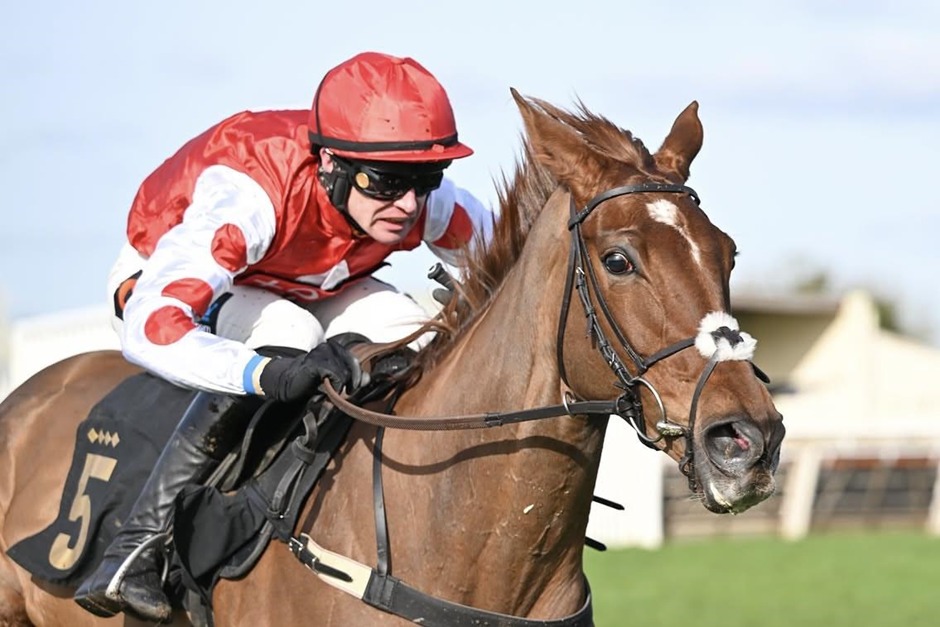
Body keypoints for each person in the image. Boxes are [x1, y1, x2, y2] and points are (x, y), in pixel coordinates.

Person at [74, 51, 495, 622]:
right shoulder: (250, 196)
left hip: (313, 281)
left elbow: (516, 265)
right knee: (286, 332)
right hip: (159, 283)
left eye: (425, 181)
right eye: (386, 183)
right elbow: (155, 325)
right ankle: (138, 546)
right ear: (329, 165)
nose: (408, 205)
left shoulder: (416, 199)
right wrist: (263, 373)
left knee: (406, 331)